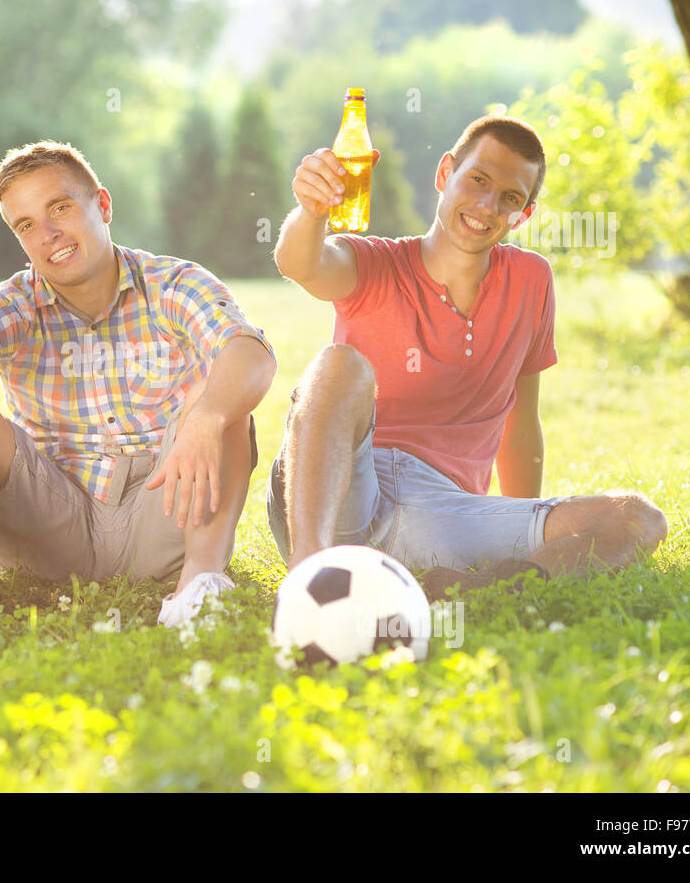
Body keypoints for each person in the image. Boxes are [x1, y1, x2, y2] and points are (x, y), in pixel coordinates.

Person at [268, 114, 667, 596]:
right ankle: (307, 580)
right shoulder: (375, 263)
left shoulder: (531, 280)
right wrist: (311, 212)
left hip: (442, 517)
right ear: (445, 174)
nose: (487, 205)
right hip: (342, 493)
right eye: (477, 180)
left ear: (524, 214)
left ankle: (498, 591)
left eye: (510, 198)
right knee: (338, 363)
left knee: (637, 518)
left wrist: (520, 525)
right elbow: (300, 262)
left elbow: (521, 423)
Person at [0, 140, 277, 635]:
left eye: (60, 207)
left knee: (219, 398)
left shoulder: (172, 282)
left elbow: (249, 351)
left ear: (104, 205)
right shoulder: (15, 303)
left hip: (164, 511)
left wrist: (206, 416)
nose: (49, 234)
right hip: (52, 526)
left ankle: (198, 587)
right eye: (26, 225)